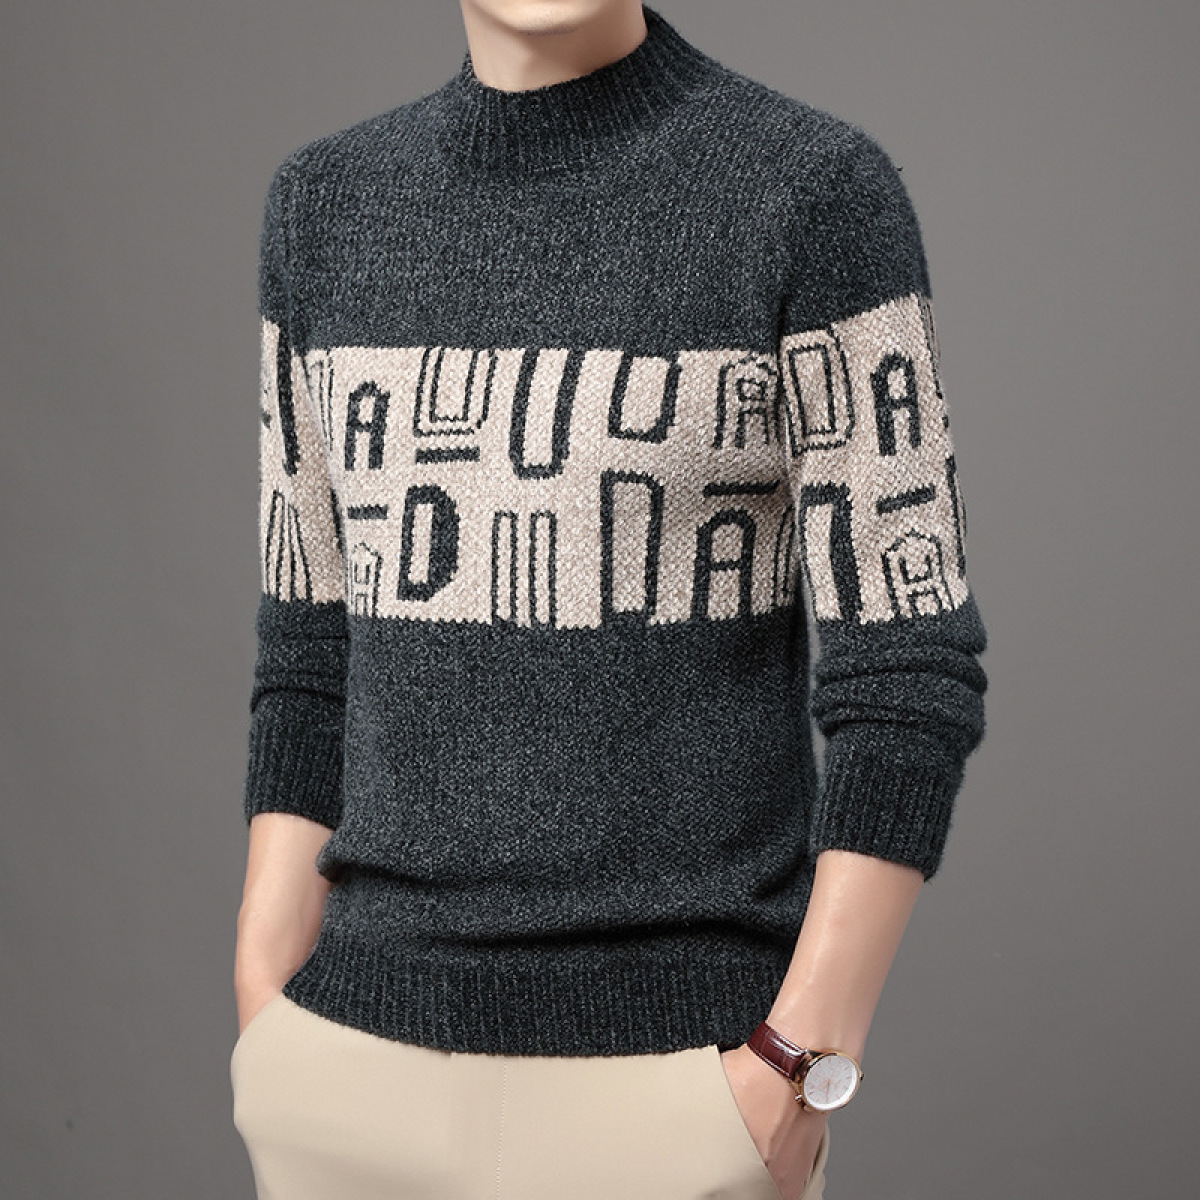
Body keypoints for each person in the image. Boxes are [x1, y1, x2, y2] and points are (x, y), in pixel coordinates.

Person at [230, 2, 989, 1198]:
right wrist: (266, 1003)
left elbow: (909, 669)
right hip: (347, 1075)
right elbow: (309, 641)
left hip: (679, 1092)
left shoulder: (811, 194)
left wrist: (797, 1059)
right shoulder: (324, 206)